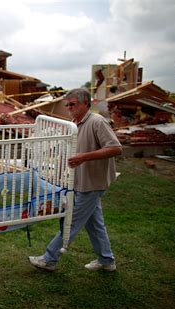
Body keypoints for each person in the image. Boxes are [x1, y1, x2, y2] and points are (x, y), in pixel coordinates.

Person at [29, 88, 122, 272]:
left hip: (93, 182)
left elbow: (116, 148)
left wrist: (84, 157)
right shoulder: (73, 124)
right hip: (81, 181)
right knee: (95, 223)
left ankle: (49, 259)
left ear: (86, 103)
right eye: (67, 105)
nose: (69, 108)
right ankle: (106, 260)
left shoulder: (97, 122)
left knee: (72, 221)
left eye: (73, 104)